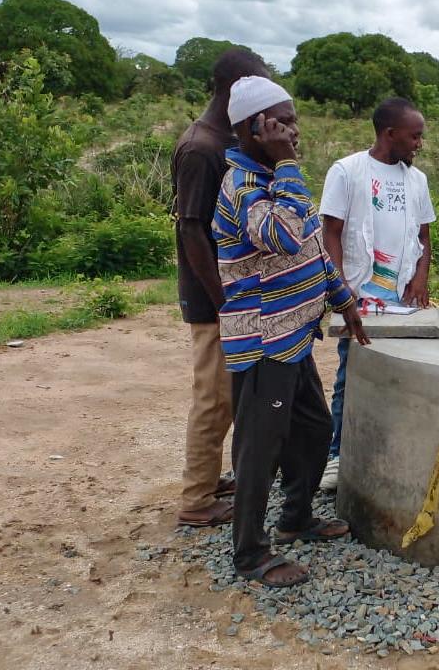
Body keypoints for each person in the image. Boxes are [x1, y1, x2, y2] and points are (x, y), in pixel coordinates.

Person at [212, 76, 369, 588]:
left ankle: (296, 519)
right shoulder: (243, 186)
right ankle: (251, 554)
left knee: (314, 430)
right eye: (284, 121)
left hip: (294, 335)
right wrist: (286, 164)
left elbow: (312, 247)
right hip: (262, 340)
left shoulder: (277, 179)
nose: (295, 131)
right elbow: (281, 236)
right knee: (259, 447)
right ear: (255, 128)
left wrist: (344, 302)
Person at [172, 49, 269, 527]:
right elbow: (191, 229)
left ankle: (211, 481)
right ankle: (196, 501)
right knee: (213, 395)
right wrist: (223, 299)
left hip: (226, 294)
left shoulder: (221, 140)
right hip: (213, 297)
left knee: (230, 392)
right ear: (238, 89)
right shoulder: (200, 148)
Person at [317, 98, 434, 490]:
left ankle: (392, 452)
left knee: (400, 373)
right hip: (360, 298)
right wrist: (340, 287)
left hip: (401, 299)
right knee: (352, 375)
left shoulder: (415, 180)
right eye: (414, 135)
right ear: (390, 133)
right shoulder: (348, 172)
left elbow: (423, 235)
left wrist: (421, 278)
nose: (419, 143)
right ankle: (338, 455)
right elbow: (330, 232)